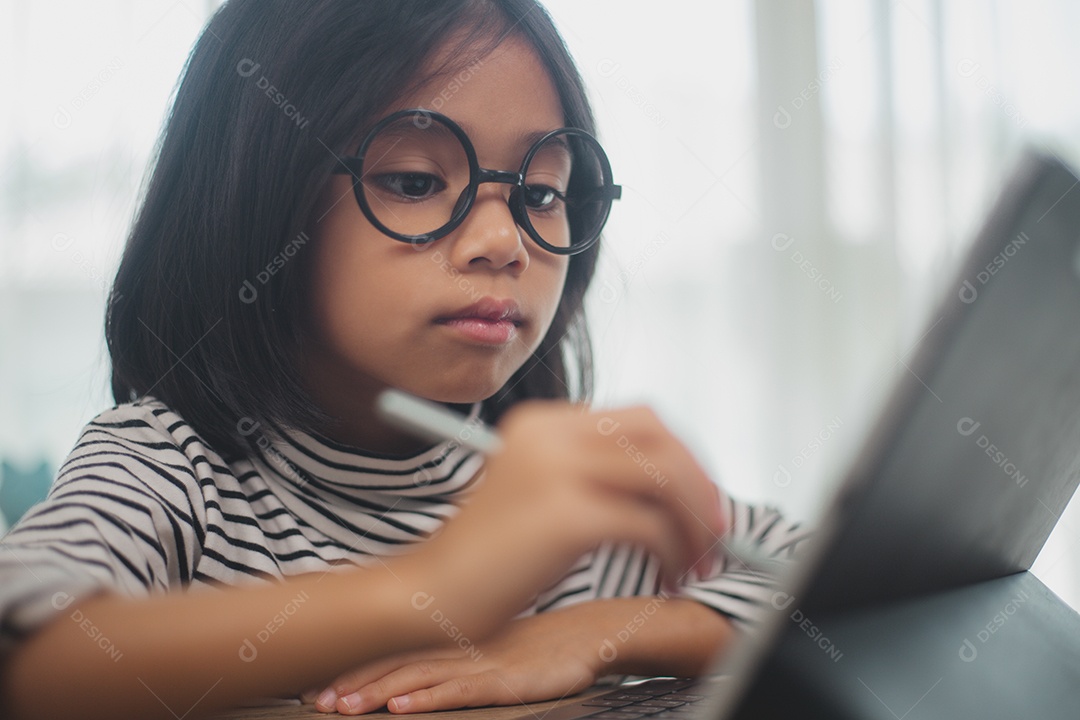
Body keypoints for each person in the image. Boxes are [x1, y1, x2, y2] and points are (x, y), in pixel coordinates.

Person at [0, 2, 809, 718]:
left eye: (540, 194)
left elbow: (825, 585)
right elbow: (29, 663)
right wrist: (430, 589)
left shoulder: (579, 492)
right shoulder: (170, 471)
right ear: (256, 198)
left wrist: (600, 634)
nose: (503, 243)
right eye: (416, 180)